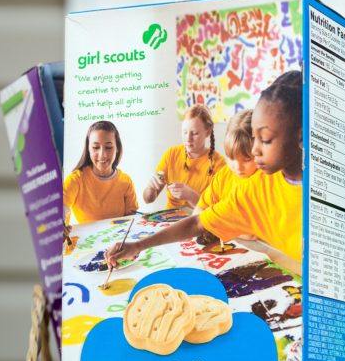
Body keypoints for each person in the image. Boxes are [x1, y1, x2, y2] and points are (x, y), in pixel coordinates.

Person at [105, 70, 305, 268]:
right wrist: (139, 245)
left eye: (266, 140)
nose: (254, 150)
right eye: (255, 137)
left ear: (301, 137)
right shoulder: (252, 190)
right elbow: (197, 223)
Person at [143, 104, 220, 209]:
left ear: (208, 132)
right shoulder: (172, 154)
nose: (188, 139)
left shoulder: (219, 164)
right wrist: (151, 188)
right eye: (185, 132)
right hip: (169, 220)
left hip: (198, 222)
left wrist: (191, 196)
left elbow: (216, 213)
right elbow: (148, 199)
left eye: (194, 133)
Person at [63, 121, 137, 224]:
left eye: (108, 147)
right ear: (88, 149)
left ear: (117, 149)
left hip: (118, 239)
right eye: (95, 147)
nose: (102, 154)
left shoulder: (126, 181)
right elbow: (61, 209)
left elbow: (132, 219)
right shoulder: (76, 179)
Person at [198, 109, 257, 211]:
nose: (238, 167)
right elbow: (200, 208)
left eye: (246, 159)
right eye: (231, 157)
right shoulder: (224, 176)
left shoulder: (266, 180)